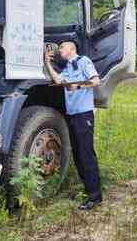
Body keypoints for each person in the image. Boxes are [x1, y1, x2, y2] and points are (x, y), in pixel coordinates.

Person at [44, 39, 102, 210]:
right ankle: (88, 190)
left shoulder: (84, 61)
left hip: (84, 114)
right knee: (77, 155)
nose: (59, 50)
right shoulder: (68, 67)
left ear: (71, 48)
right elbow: (58, 80)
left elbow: (96, 80)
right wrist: (48, 63)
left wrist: (79, 85)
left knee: (86, 154)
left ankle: (95, 196)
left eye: (62, 47)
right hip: (71, 115)